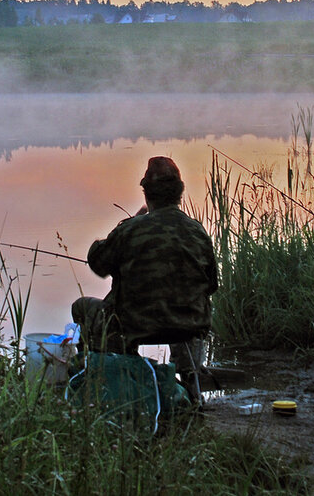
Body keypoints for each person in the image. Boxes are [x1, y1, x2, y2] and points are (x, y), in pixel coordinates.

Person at [71, 156, 218, 403]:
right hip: (189, 323)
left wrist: (131, 222)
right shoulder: (198, 232)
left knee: (81, 307)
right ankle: (191, 383)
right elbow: (211, 285)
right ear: (178, 193)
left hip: (134, 325)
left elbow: (97, 263)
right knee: (186, 306)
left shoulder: (130, 230)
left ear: (146, 192)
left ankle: (111, 382)